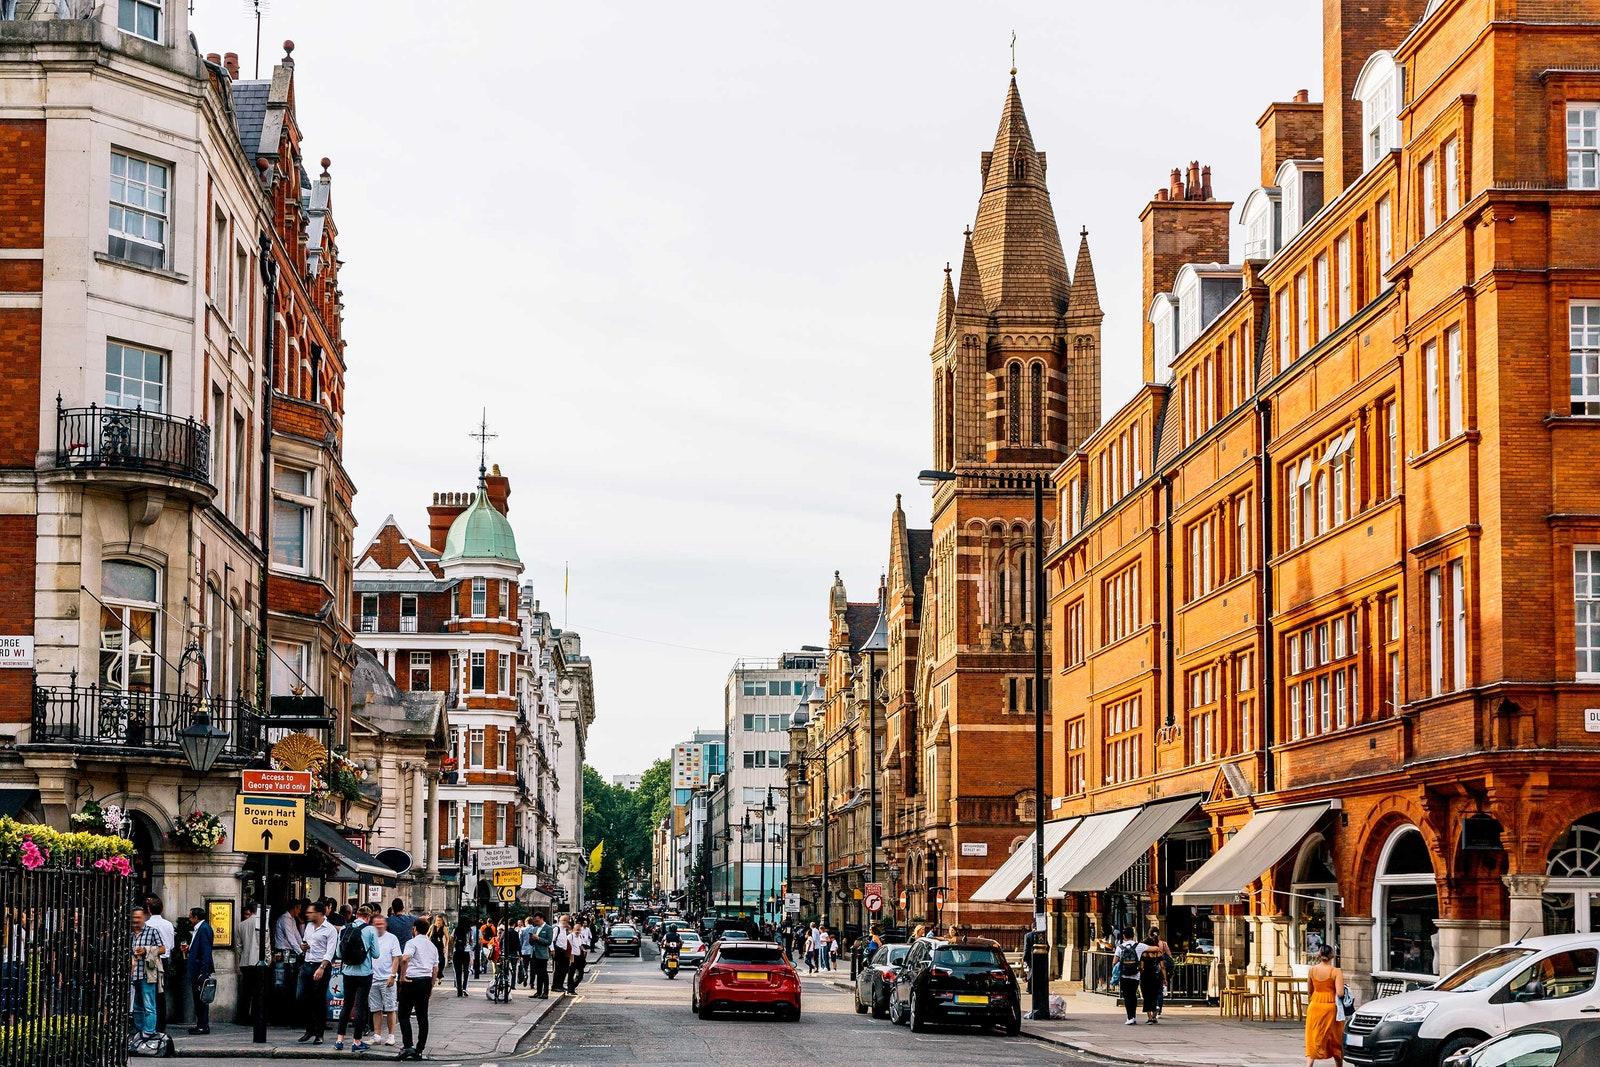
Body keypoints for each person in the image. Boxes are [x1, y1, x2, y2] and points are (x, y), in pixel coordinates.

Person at [397, 914, 441, 1061]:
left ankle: (408, 1045)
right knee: (423, 1017)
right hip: (426, 981)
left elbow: (404, 958)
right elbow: (435, 970)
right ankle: (420, 1049)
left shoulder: (411, 943)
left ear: (414, 929)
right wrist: (431, 987)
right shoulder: (432, 946)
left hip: (411, 981)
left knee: (403, 1014)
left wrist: (402, 977)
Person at [334, 903, 375, 1052]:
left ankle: (339, 1040)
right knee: (360, 1007)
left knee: (346, 1005)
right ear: (368, 917)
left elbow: (339, 954)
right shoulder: (370, 930)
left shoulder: (345, 928)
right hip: (364, 973)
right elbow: (376, 954)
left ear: (356, 915)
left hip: (348, 972)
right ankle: (356, 1042)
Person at [298, 901, 336, 1044]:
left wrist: (322, 967)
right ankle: (309, 1029)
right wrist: (303, 946)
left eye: (310, 912)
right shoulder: (308, 926)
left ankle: (319, 1033)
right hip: (307, 963)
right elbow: (305, 943)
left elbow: (330, 951)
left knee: (319, 999)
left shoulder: (330, 929)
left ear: (319, 913)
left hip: (321, 965)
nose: (307, 914)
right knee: (303, 997)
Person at [1305, 944, 1346, 1067]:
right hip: (1330, 1006)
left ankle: (1309, 1064)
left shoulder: (1312, 970)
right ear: (1332, 955)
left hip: (1315, 1005)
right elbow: (1340, 993)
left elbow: (1309, 990)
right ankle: (1338, 1063)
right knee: (1334, 1036)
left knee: (1314, 1035)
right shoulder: (1335, 971)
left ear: (1319, 955)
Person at [366, 914, 403, 1049]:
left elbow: (396, 958)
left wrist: (392, 975)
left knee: (390, 1008)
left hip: (387, 977)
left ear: (385, 925)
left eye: (381, 924)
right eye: (376, 924)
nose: (379, 927)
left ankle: (391, 1035)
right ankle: (377, 1035)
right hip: (372, 977)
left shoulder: (392, 938)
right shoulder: (369, 937)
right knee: (376, 1008)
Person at [144, 895, 176, 1033]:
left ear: (149, 910)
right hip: (165, 959)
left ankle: (151, 1024)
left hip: (150, 960)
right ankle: (161, 1025)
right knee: (161, 993)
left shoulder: (147, 925)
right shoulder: (168, 924)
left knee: (149, 992)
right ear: (162, 909)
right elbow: (171, 945)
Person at [130, 907, 164, 1034]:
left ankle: (149, 1032)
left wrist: (146, 950)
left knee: (149, 1005)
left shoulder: (152, 932)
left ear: (144, 918)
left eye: (138, 918)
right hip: (134, 973)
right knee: (137, 1006)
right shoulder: (131, 935)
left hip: (147, 973)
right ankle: (139, 1032)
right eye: (134, 918)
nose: (136, 920)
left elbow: (162, 949)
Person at [186, 906, 215, 1035]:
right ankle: (201, 1024)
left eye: (190, 917)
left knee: (201, 999)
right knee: (198, 998)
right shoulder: (200, 929)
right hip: (197, 969)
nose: (189, 919)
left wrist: (203, 973)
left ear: (196, 918)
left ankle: (203, 1025)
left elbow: (206, 952)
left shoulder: (203, 929)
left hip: (199, 970)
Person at [234, 902, 261, 1026]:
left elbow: (238, 946)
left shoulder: (241, 925)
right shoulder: (261, 923)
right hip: (258, 962)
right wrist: (268, 958)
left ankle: (243, 1017)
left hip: (245, 962)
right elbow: (265, 943)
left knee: (246, 991)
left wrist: (241, 958)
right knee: (257, 991)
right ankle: (256, 1016)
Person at [1114, 928, 1142, 1026]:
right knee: (1133, 995)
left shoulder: (1120, 947)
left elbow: (1114, 962)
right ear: (1133, 935)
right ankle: (1133, 1016)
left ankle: (1129, 1017)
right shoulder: (1139, 946)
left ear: (1124, 936)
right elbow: (1154, 948)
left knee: (1127, 996)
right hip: (1135, 975)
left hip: (1124, 975)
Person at [1137, 932, 1164, 1024]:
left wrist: (1139, 974)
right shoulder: (1158, 953)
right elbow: (1162, 967)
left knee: (1147, 997)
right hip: (1156, 976)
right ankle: (1154, 1016)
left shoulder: (1144, 954)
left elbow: (1141, 967)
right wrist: (1164, 978)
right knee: (1155, 995)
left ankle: (1149, 1018)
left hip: (1146, 976)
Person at [526, 912, 552, 999]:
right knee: (538, 974)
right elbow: (531, 942)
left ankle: (545, 993)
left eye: (537, 921)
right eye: (535, 921)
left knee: (544, 974)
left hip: (543, 955)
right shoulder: (534, 928)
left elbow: (548, 942)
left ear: (541, 919)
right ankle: (538, 992)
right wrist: (531, 939)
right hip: (534, 954)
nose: (536, 922)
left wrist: (538, 938)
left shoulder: (548, 928)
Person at [565, 918, 591, 992]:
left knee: (580, 974)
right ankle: (570, 988)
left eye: (579, 930)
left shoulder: (580, 936)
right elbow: (567, 947)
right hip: (573, 957)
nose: (578, 931)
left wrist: (583, 950)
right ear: (573, 929)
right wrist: (570, 957)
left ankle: (572, 986)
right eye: (576, 929)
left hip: (579, 957)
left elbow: (580, 945)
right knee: (571, 973)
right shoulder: (570, 936)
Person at [451, 913, 473, 997]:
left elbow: (451, 941)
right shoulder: (469, 930)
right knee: (466, 970)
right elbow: (471, 941)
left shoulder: (455, 930)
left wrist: (450, 952)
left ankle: (459, 990)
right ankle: (464, 987)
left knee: (458, 971)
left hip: (457, 952)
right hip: (466, 952)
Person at [551, 916, 572, 993]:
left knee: (564, 969)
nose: (568, 923)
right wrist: (552, 950)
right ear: (562, 921)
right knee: (558, 969)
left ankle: (560, 985)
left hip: (564, 951)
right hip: (558, 950)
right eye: (567, 921)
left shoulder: (564, 930)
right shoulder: (557, 928)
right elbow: (552, 940)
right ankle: (555, 986)